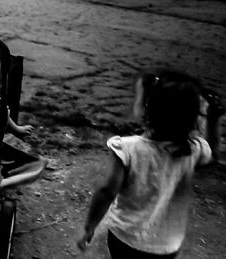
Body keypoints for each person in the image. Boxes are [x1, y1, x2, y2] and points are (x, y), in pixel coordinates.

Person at [77, 70, 212, 258]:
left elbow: (107, 192)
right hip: (168, 245)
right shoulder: (194, 150)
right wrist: (214, 119)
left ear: (148, 109)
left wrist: (89, 226)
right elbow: (211, 152)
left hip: (126, 238)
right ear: (192, 118)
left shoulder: (127, 149)